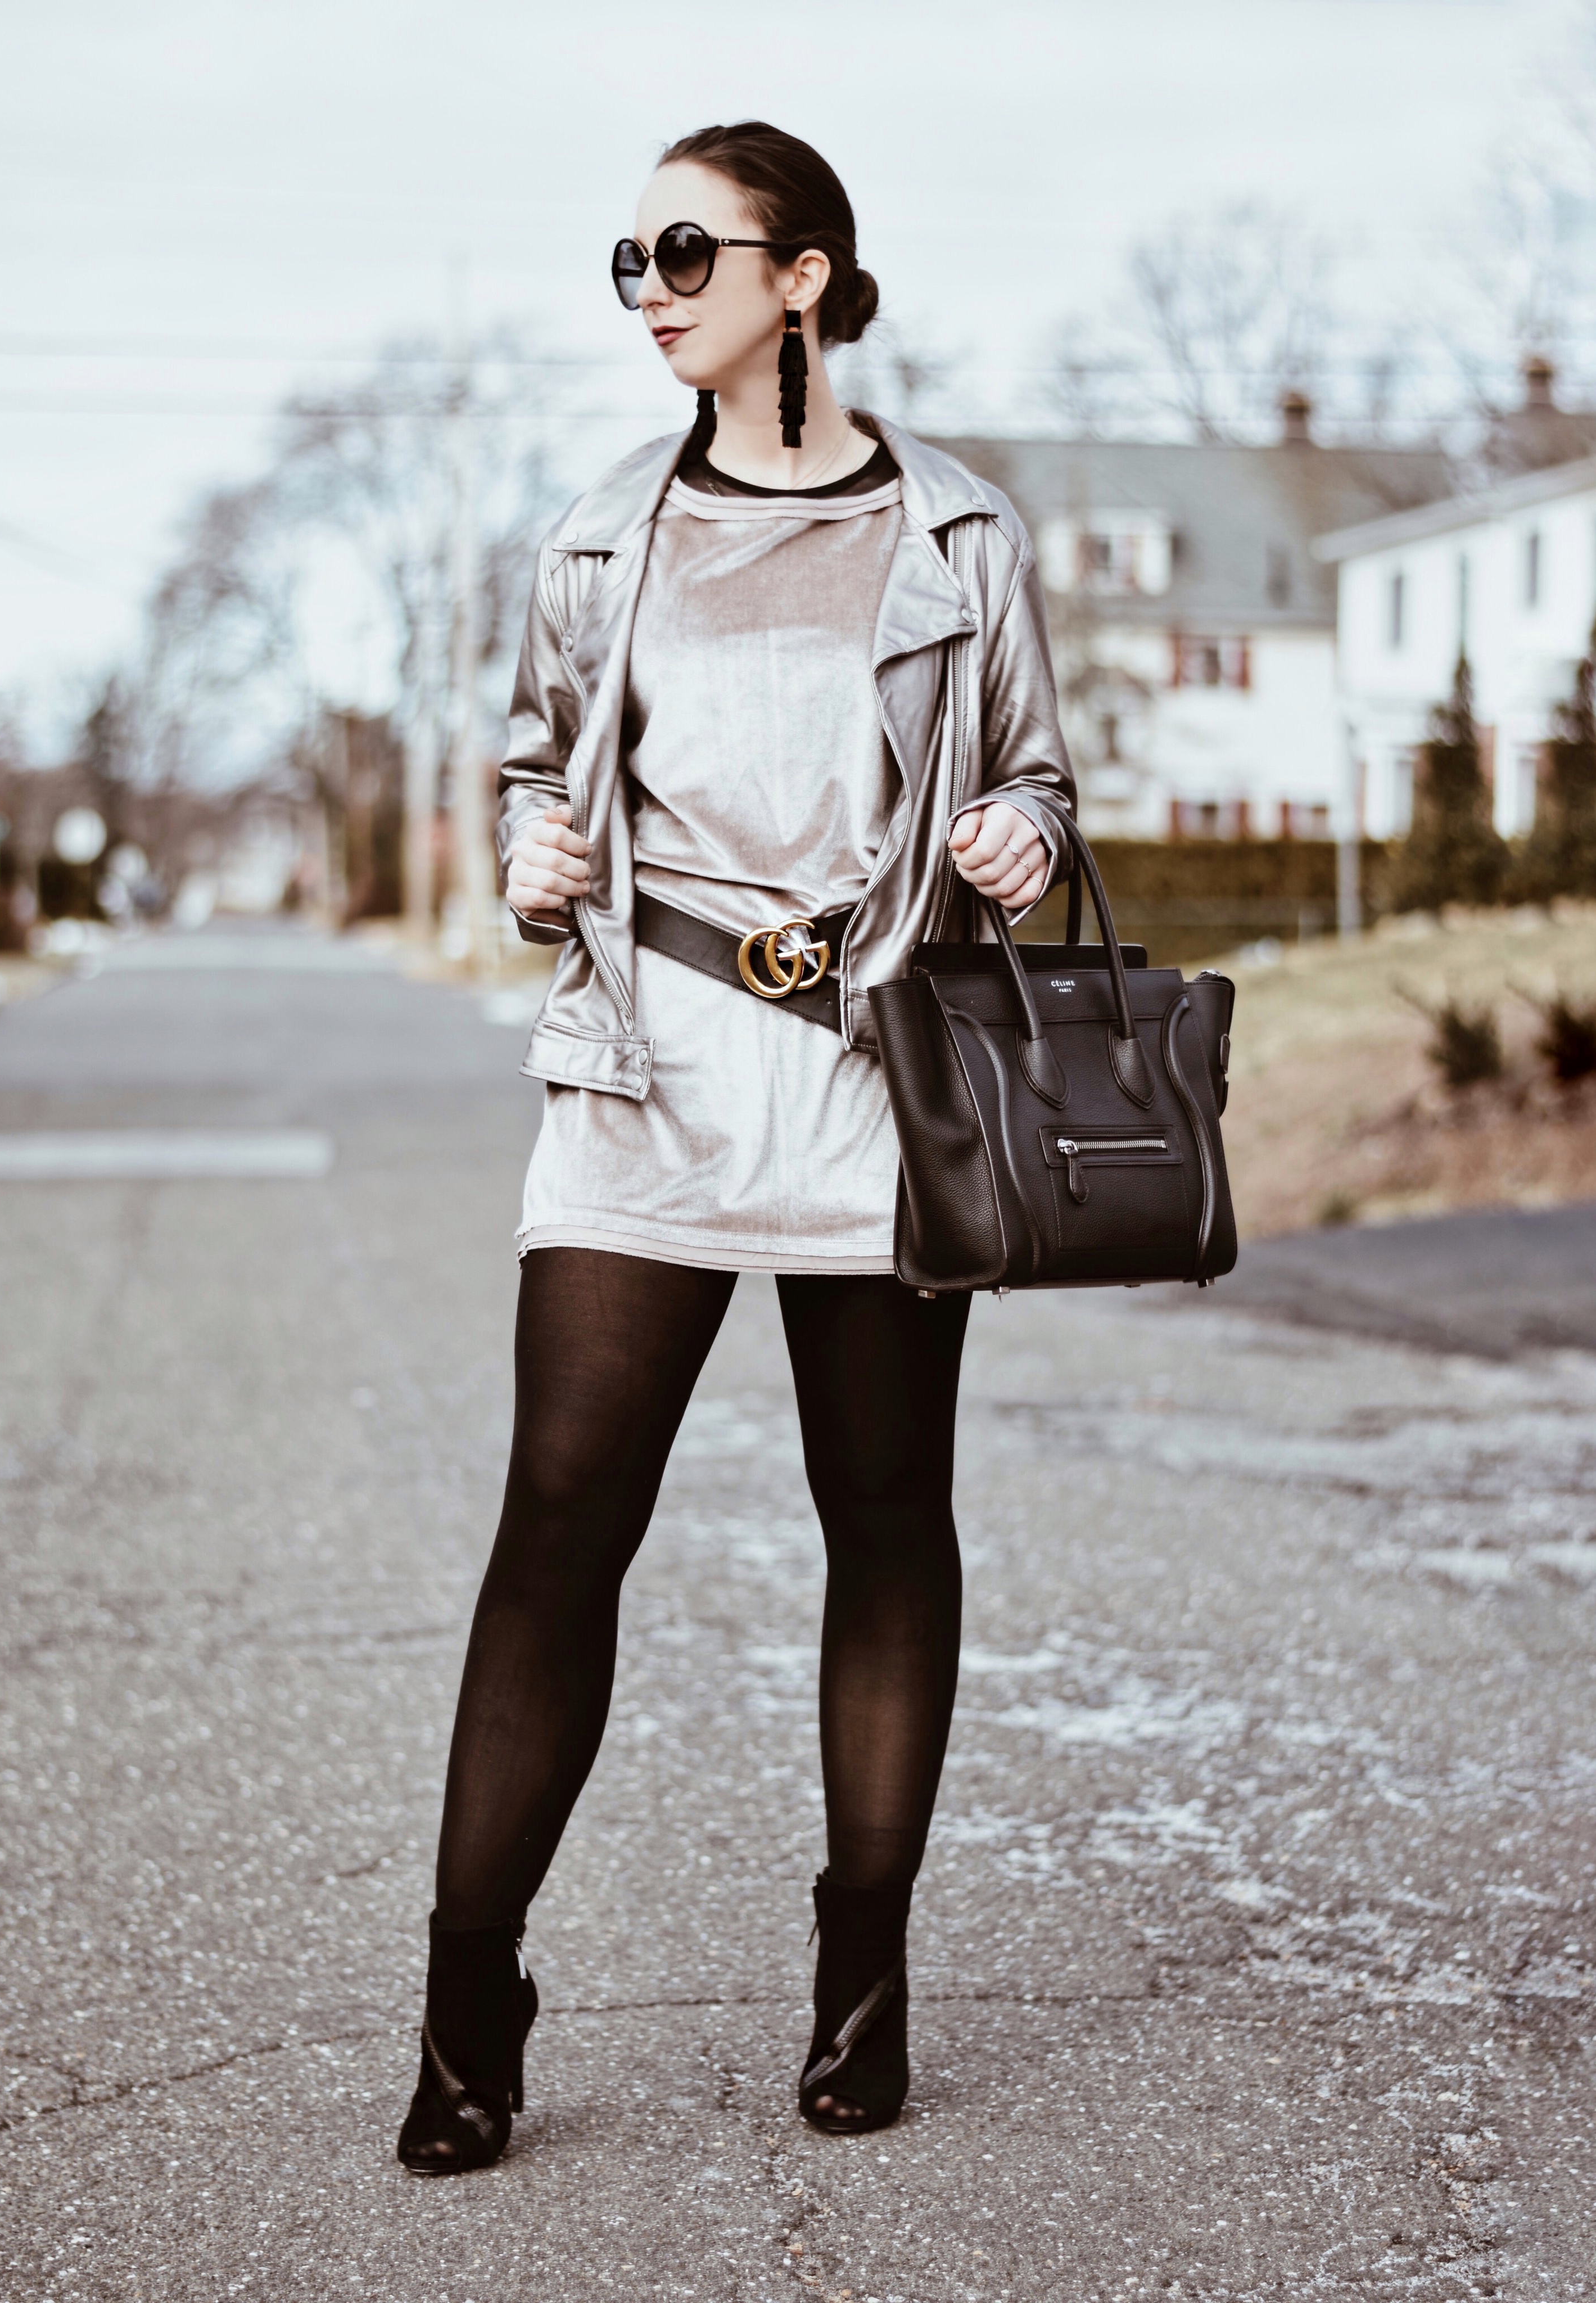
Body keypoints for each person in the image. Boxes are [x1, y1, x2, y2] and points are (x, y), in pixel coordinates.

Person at [398, 119, 1075, 2174]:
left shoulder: (960, 535)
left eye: (684, 248)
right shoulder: (601, 536)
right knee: (559, 1521)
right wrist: (532, 848)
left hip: (877, 1084)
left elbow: (1036, 778)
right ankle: (465, 2004)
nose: (650, 286)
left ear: (806, 273)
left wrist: (1020, 845)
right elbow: (538, 760)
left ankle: (861, 1985)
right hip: (645, 1075)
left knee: (884, 1524)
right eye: (627, 258)